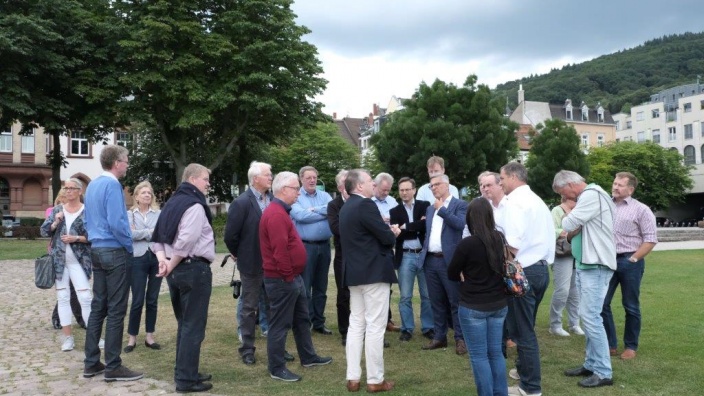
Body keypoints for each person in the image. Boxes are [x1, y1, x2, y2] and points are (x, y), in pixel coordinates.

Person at [260, 171, 333, 382]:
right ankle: (276, 367)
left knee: (302, 319)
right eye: (295, 189)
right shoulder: (275, 214)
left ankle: (308, 357)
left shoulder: (282, 211)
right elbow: (279, 251)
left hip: (293, 277)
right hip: (283, 279)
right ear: (283, 190)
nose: (298, 194)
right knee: (280, 324)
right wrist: (288, 277)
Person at [153, 163, 215, 393]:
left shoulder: (172, 203)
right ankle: (186, 380)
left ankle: (186, 371)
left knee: (185, 324)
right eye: (205, 179)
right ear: (192, 179)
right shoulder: (194, 205)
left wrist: (163, 260)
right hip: (192, 269)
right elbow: (187, 240)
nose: (208, 184)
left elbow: (157, 237)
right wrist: (170, 262)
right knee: (192, 326)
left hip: (176, 270)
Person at [83, 145, 142, 382]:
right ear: (117, 162)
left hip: (96, 248)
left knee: (99, 307)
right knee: (117, 310)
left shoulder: (93, 185)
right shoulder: (112, 185)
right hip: (115, 250)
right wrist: (128, 245)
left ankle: (91, 362)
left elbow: (88, 219)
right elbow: (118, 222)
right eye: (126, 160)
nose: (127, 164)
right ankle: (113, 366)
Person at [553, 170, 616, 388]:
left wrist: (568, 221)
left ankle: (603, 371)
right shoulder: (591, 196)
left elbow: (568, 224)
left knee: (590, 317)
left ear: (571, 184)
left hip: (595, 265)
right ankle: (591, 364)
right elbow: (570, 228)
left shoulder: (591, 194)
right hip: (587, 264)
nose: (567, 198)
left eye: (564, 192)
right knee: (587, 316)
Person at [339, 169, 400, 393]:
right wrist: (392, 232)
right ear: (358, 186)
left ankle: (353, 378)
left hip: (355, 274)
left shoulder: (346, 207)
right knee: (375, 326)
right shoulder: (365, 205)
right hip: (373, 272)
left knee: (356, 324)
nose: (373, 184)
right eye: (369, 181)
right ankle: (375, 379)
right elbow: (384, 237)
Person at [499, 162, 554, 396]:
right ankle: (523, 371)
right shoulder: (537, 200)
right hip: (541, 269)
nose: (500, 183)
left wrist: (498, 265)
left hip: (523, 272)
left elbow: (512, 243)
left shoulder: (514, 203)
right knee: (525, 326)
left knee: (523, 332)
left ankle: (530, 388)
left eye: (501, 178)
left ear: (513, 177)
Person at [448, 198, 509, 396]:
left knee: (479, 356)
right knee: (495, 353)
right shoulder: (499, 239)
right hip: (498, 304)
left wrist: (465, 273)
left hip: (474, 306)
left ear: (470, 219)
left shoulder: (467, 244)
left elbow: (451, 273)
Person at [224, 161, 275, 366]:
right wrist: (240, 254)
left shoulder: (273, 200)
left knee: (273, 307)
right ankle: (247, 349)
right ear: (255, 179)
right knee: (249, 308)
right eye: (268, 174)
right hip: (251, 263)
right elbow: (230, 236)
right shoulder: (242, 202)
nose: (271, 177)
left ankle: (276, 348)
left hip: (272, 264)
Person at [602, 172, 657, 360]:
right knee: (602, 304)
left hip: (629, 261)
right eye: (615, 183)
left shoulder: (641, 209)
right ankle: (610, 344)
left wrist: (633, 259)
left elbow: (650, 239)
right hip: (607, 261)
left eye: (620, 185)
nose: (615, 187)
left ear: (630, 189)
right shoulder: (605, 205)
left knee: (630, 305)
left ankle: (631, 346)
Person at [418, 174, 468, 355]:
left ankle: (460, 339)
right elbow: (429, 233)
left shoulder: (460, 205)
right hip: (431, 260)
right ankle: (439, 337)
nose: (433, 188)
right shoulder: (430, 209)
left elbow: (461, 225)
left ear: (447, 185)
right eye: (431, 186)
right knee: (436, 301)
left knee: (455, 301)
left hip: (450, 261)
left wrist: (442, 210)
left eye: (437, 184)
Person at [41, 179, 92, 352]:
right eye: (66, 188)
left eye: (72, 188)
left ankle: (94, 337)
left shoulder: (87, 211)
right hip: (60, 262)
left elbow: (94, 235)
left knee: (85, 298)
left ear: (79, 191)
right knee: (63, 299)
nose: (68, 191)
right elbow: (43, 230)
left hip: (79, 261)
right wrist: (55, 222)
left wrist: (76, 238)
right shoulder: (57, 210)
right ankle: (68, 338)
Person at [389, 177, 434, 342]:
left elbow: (427, 226)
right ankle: (407, 328)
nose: (404, 192)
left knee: (427, 295)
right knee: (405, 296)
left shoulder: (425, 206)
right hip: (406, 255)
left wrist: (407, 226)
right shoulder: (394, 211)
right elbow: (398, 235)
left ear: (414, 190)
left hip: (423, 254)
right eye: (401, 190)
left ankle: (428, 327)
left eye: (407, 189)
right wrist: (417, 226)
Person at [290, 166, 333, 335]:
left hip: (325, 246)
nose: (312, 180)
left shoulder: (325, 195)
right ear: (301, 179)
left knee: (321, 286)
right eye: (308, 178)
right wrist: (322, 212)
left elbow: (331, 211)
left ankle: (319, 322)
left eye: (314, 177)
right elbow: (300, 216)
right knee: (305, 287)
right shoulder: (297, 196)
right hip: (305, 246)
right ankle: (305, 322)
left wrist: (314, 210)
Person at [124, 181, 162, 353]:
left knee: (152, 299)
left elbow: (161, 233)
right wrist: (149, 232)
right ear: (137, 196)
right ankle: (132, 338)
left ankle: (149, 336)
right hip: (137, 259)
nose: (147, 195)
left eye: (149, 192)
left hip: (156, 257)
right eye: (144, 192)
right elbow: (130, 235)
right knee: (137, 299)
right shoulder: (129, 214)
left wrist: (143, 233)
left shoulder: (159, 214)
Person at [48, 189, 86, 331]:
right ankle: (65, 318)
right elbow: (47, 230)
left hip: (76, 257)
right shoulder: (55, 211)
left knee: (75, 290)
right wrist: (56, 221)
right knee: (66, 291)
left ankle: (78, 317)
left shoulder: (81, 211)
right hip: (59, 255)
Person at [547, 196, 583, 337]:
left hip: (577, 252)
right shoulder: (557, 210)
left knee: (575, 291)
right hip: (563, 253)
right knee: (562, 289)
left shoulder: (580, 211)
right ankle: (555, 324)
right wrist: (564, 231)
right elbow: (552, 230)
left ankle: (574, 324)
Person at [371, 172, 401, 333]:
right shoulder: (368, 202)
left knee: (386, 287)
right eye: (383, 190)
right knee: (374, 288)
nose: (386, 193)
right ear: (374, 186)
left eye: (388, 190)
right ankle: (375, 323)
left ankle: (387, 319)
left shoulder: (392, 201)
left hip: (388, 248)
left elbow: (397, 220)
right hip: (373, 250)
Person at [326, 169, 351, 346]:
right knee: (343, 294)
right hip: (343, 255)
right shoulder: (334, 205)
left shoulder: (362, 202)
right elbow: (336, 229)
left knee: (362, 294)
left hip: (361, 255)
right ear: (339, 186)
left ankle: (363, 329)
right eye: (344, 183)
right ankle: (345, 331)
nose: (347, 186)